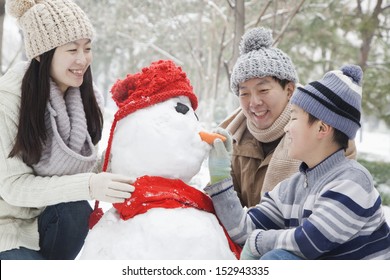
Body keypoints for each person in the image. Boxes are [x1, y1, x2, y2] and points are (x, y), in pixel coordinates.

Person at [206, 65, 390, 259]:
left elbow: (309, 241)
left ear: (321, 128)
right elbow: (243, 230)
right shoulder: (292, 188)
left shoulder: (352, 181)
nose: (286, 128)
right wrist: (220, 175)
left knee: (277, 259)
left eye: (293, 117)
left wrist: (257, 242)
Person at [0, 0, 134, 260]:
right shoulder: (9, 100)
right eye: (72, 49)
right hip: (8, 224)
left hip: (51, 219)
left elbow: (80, 169)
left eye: (87, 48)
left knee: (76, 208)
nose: (82, 59)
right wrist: (90, 184)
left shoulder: (86, 98)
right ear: (41, 54)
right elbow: (13, 187)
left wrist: (121, 158)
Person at [220, 27, 356, 207]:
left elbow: (336, 209)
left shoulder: (325, 135)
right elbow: (224, 208)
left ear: (289, 90)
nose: (254, 102)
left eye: (263, 90)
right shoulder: (234, 139)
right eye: (244, 93)